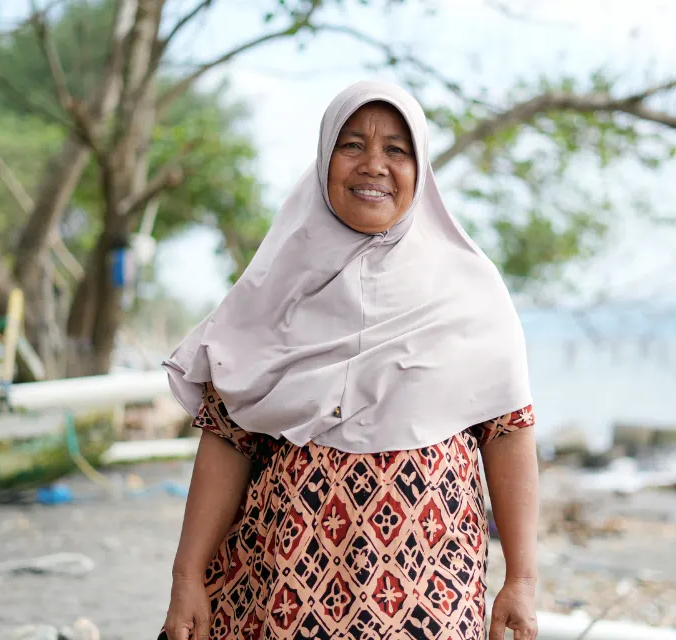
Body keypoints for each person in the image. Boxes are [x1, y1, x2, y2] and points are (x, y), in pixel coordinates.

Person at [161, 80, 539, 640]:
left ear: (421, 168)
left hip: (428, 582)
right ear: (324, 160)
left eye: (396, 149)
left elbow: (508, 432)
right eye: (352, 145)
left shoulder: (471, 289)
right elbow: (226, 437)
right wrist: (187, 575)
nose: (374, 166)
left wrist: (521, 580)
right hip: (284, 575)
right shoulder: (271, 290)